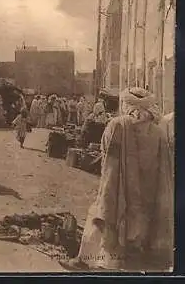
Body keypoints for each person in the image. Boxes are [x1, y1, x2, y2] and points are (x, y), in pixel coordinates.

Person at [60, 87, 173, 271]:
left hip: (117, 188)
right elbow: (164, 167)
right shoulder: (158, 133)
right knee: (136, 229)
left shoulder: (117, 125)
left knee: (101, 217)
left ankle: (85, 260)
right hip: (147, 195)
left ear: (126, 104)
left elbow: (108, 159)